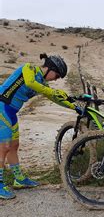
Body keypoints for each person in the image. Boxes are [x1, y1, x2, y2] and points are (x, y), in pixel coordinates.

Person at [0, 53, 79, 199]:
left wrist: (74, 107)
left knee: (14, 146)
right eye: (56, 76)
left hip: (11, 112)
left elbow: (55, 98)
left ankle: (19, 179)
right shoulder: (28, 68)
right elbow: (30, 83)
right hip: (1, 107)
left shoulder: (42, 84)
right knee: (3, 147)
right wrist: (52, 91)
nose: (55, 79)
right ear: (49, 68)